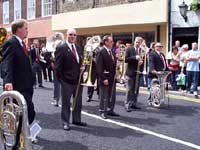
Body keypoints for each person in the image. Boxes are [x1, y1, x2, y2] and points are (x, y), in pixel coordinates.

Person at [55, 28, 87, 131]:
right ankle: (65, 122)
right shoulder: (61, 47)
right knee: (66, 103)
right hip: (66, 81)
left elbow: (80, 62)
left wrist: (83, 68)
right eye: (70, 34)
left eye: (74, 35)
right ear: (66, 35)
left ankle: (77, 120)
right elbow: (58, 67)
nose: (72, 36)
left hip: (78, 80)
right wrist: (61, 80)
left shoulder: (78, 47)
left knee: (78, 102)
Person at [96, 35, 119, 119]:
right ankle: (102, 111)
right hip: (105, 78)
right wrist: (103, 78)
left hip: (112, 78)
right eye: (111, 41)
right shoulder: (101, 51)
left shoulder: (112, 51)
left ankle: (110, 110)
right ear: (106, 42)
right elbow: (99, 67)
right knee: (104, 96)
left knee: (112, 96)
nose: (113, 43)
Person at [124, 36, 143, 112]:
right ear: (134, 41)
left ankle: (134, 104)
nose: (138, 43)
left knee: (136, 90)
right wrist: (135, 57)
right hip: (130, 72)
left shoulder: (142, 50)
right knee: (129, 90)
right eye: (136, 42)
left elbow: (144, 60)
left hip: (138, 73)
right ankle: (127, 105)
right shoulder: (129, 49)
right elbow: (126, 59)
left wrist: (142, 62)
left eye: (139, 42)